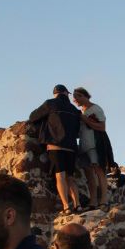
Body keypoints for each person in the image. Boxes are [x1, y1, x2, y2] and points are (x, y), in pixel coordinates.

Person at [29, 85, 82, 214]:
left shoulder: (50, 104)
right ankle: (78, 205)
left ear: (55, 93)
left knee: (60, 176)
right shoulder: (74, 109)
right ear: (65, 93)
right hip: (71, 146)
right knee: (71, 177)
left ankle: (66, 207)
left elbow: (33, 117)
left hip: (55, 145)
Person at [72, 87, 113, 211]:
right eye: (74, 97)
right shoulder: (81, 113)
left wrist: (85, 120)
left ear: (84, 96)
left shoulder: (96, 109)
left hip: (94, 145)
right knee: (89, 174)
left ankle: (104, 200)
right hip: (83, 147)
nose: (75, 100)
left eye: (77, 96)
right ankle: (93, 201)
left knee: (99, 171)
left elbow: (102, 127)